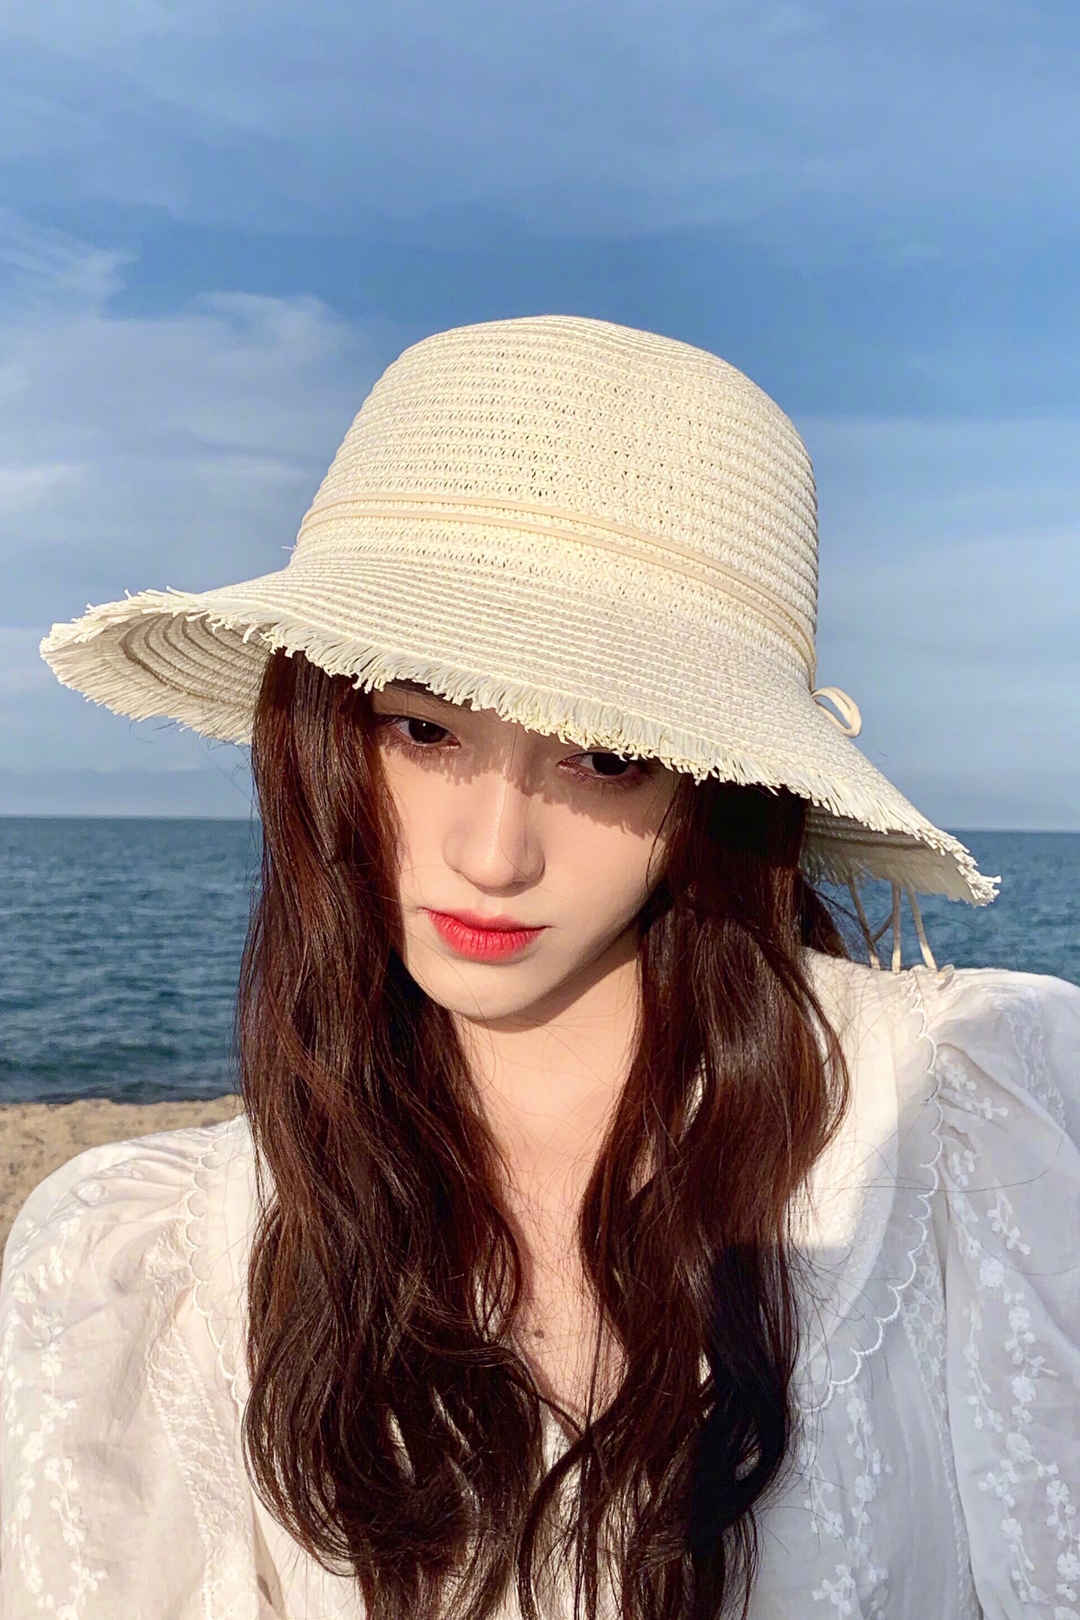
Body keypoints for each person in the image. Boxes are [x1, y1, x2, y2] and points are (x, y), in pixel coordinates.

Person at [4, 314, 1077, 1620]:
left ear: (713, 788)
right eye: (421, 730)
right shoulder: (150, 1259)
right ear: (319, 734)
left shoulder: (968, 1118)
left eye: (605, 756)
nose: (493, 855)